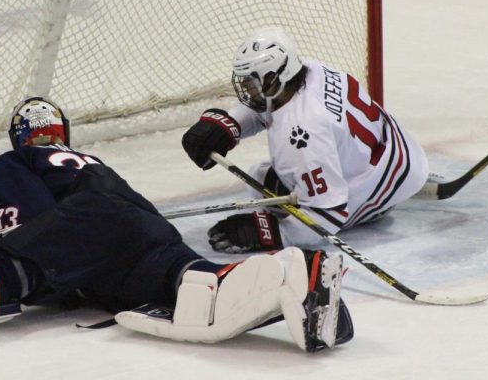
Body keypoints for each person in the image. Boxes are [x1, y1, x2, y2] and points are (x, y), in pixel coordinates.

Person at [0, 97, 353, 355]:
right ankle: (296, 275)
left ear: (23, 137)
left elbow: (39, 227)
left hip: (86, 223)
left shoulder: (13, 163)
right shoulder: (87, 159)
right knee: (197, 285)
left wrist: (23, 265)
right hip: (142, 227)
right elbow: (123, 217)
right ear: (60, 133)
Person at [181, 27, 432, 253]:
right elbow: (265, 104)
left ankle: (382, 205)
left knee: (262, 181)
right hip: (394, 145)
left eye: (251, 81)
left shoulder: (302, 132)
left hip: (390, 178)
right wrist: (230, 125)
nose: (245, 87)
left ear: (273, 78)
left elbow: (329, 213)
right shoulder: (308, 70)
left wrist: (274, 233)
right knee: (263, 179)